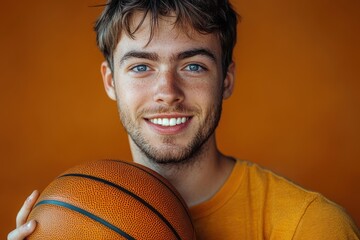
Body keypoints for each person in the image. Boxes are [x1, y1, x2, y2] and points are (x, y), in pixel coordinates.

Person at [8, 0, 360, 239]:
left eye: (193, 65)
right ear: (111, 81)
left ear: (226, 79)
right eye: (141, 67)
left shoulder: (309, 225)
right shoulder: (63, 223)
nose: (168, 91)